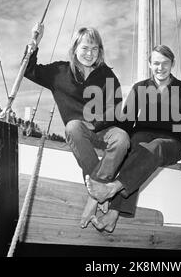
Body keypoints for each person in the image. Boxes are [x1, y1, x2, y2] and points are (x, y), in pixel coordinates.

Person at [86, 45, 181, 232]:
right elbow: (126, 121)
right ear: (150, 64)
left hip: (171, 141)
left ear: (172, 64)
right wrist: (114, 139)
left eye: (165, 63)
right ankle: (113, 214)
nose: (160, 67)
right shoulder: (139, 88)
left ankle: (112, 189)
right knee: (135, 146)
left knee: (154, 146)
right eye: (156, 63)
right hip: (141, 137)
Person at [24, 23, 130, 228]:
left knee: (122, 138)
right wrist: (35, 41)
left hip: (104, 128)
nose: (89, 53)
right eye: (84, 48)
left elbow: (116, 109)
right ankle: (100, 192)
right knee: (72, 126)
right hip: (78, 130)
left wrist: (96, 123)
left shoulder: (107, 75)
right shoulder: (59, 71)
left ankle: (94, 196)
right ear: (74, 49)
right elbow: (29, 70)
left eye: (94, 48)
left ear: (100, 51)